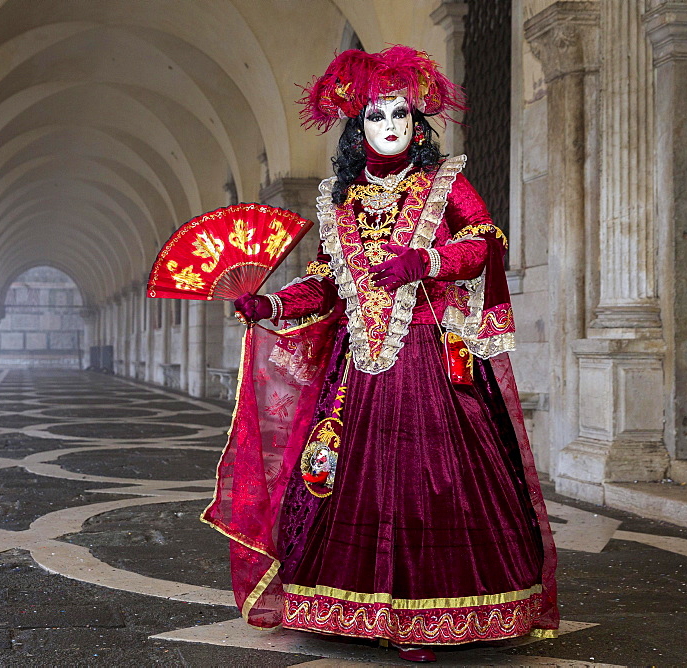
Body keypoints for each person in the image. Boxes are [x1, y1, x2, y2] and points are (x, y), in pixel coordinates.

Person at [202, 46, 558, 663]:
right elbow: (325, 283)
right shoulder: (338, 200)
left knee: (431, 480)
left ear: (417, 124)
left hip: (429, 357)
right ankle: (354, 607)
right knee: (342, 478)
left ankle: (428, 619)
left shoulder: (446, 182)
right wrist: (274, 307)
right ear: (356, 126)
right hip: (357, 369)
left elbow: (484, 247)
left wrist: (429, 260)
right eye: (374, 116)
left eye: (400, 114)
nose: (389, 126)